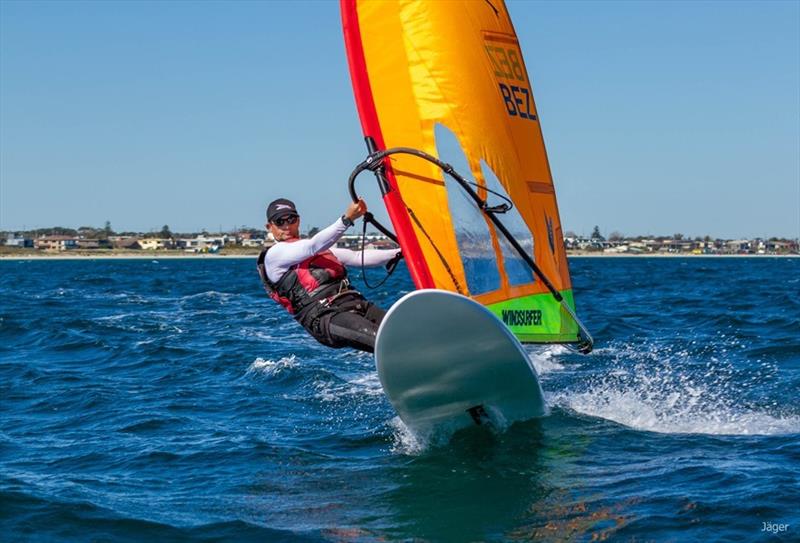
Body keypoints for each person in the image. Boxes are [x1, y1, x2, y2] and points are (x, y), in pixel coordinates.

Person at [257, 198, 401, 353]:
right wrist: (347, 219)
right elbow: (312, 246)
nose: (286, 226)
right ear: (269, 226)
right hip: (325, 316)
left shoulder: (319, 250)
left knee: (401, 332)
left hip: (355, 303)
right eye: (279, 222)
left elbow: (357, 257)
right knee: (384, 339)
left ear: (298, 221)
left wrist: (400, 253)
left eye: (291, 219)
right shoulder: (275, 255)